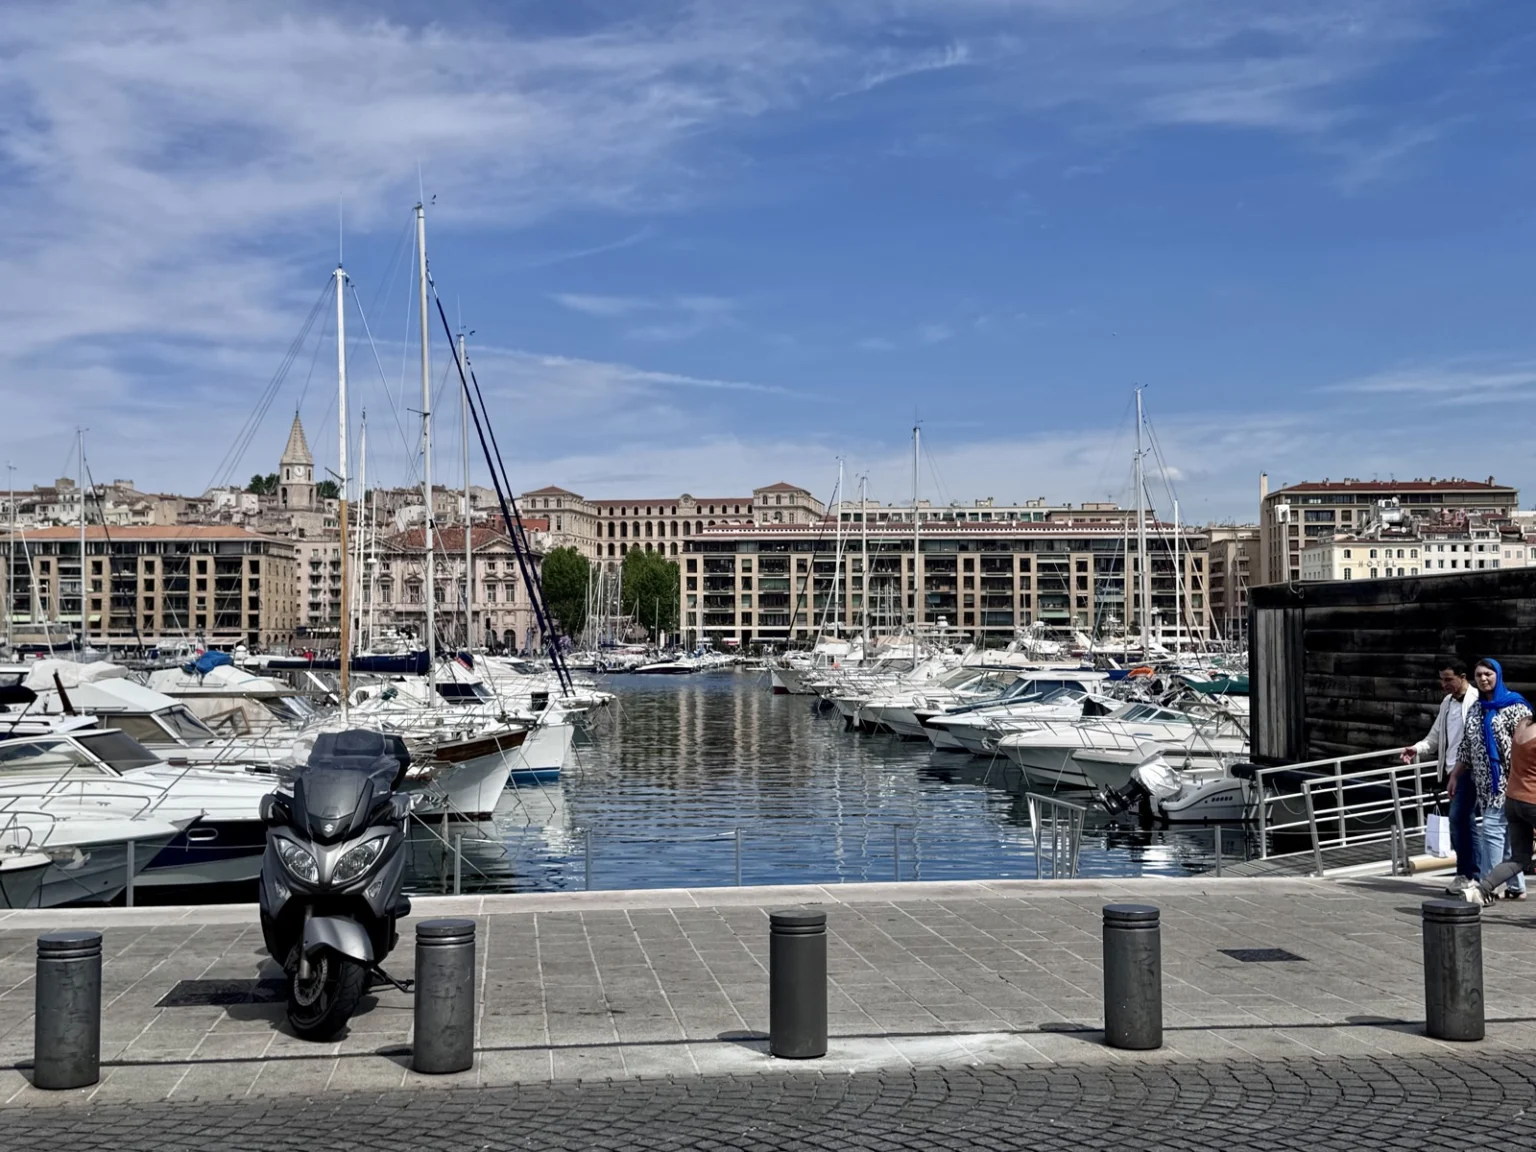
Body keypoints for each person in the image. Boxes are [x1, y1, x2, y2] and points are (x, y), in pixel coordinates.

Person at [1450, 657, 1530, 901]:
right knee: (1507, 838)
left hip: (1508, 782)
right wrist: (1455, 774)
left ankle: (1487, 888)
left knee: (1492, 832)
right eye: (1479, 675)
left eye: (1488, 674)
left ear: (1498, 675)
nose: (1484, 679)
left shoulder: (1516, 707)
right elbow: (1466, 746)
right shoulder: (1476, 708)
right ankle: (1516, 887)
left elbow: (1528, 746)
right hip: (1484, 783)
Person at [1404, 659, 1480, 892]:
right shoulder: (1447, 703)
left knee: (1459, 820)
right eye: (1442, 679)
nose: (1443, 684)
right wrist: (1416, 748)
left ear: (1463, 676)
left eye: (1448, 679)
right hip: (1451, 772)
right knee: (1465, 824)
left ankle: (1470, 874)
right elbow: (1435, 737)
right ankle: (1469, 873)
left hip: (1470, 770)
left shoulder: (1476, 701)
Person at [1469, 712, 1536, 902]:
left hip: (1514, 800)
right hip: (1533, 800)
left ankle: (1481, 890)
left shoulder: (1523, 724)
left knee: (1519, 859)